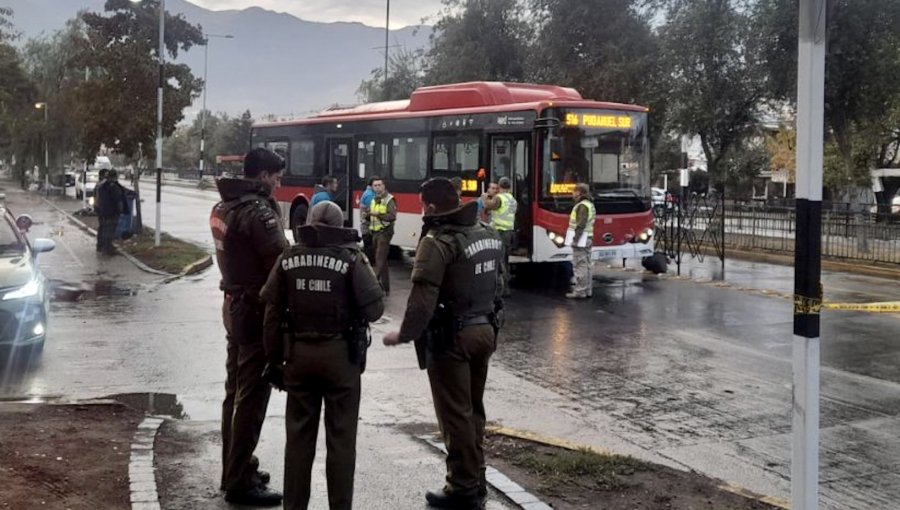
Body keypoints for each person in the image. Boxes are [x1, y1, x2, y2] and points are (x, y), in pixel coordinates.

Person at [383, 177, 503, 510]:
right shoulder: (487, 234)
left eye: (423, 205)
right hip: (485, 331)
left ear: (432, 207)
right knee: (474, 410)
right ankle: (476, 478)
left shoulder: (438, 242)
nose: (422, 210)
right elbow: (500, 287)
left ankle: (462, 487)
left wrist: (404, 334)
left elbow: (422, 300)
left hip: (452, 338)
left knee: (455, 414)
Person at [260, 201, 384, 510]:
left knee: (298, 441)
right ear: (339, 224)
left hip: (298, 356)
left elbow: (271, 313)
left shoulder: (288, 257)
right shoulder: (351, 259)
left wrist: (275, 359)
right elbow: (376, 309)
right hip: (341, 358)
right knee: (341, 441)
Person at [209, 147, 289, 506]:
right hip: (255, 309)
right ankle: (240, 480)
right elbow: (281, 266)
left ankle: (236, 465)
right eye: (275, 177)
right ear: (261, 176)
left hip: (233, 305)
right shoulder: (258, 213)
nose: (278, 183)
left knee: (235, 392)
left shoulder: (224, 206)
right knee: (251, 397)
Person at [481, 177, 517, 297]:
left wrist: (484, 197)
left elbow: (488, 205)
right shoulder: (512, 199)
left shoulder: (499, 198)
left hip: (500, 232)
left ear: (500, 187)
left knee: (499, 261)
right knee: (505, 260)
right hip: (510, 232)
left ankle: (501, 289)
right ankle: (505, 287)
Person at [566, 183, 595, 299]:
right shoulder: (589, 204)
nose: (572, 194)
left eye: (574, 191)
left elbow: (580, 224)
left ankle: (580, 291)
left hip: (581, 239)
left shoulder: (582, 206)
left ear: (579, 193)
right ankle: (587, 290)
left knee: (580, 265)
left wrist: (575, 239)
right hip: (587, 238)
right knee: (587, 265)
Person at [368, 178, 396, 295]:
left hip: (384, 233)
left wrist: (377, 215)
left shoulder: (389, 199)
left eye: (380, 185)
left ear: (384, 186)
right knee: (382, 261)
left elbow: (391, 216)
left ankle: (372, 287)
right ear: (373, 188)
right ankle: (386, 288)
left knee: (379, 259)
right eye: (375, 185)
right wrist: (367, 215)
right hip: (375, 232)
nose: (378, 187)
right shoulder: (374, 199)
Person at [95, 169, 126, 255]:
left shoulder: (102, 186)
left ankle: (103, 246)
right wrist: (121, 210)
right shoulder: (113, 187)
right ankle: (107, 248)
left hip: (103, 210)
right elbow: (118, 199)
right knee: (109, 229)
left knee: (104, 228)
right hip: (111, 212)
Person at [359, 177, 378, 262]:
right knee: (370, 257)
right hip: (368, 229)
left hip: (368, 228)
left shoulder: (370, 193)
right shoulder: (370, 195)